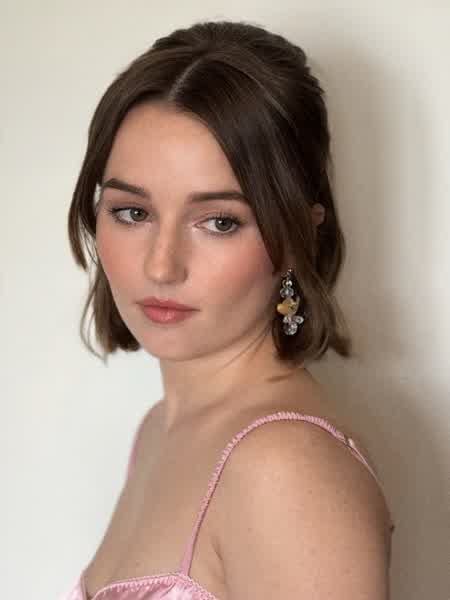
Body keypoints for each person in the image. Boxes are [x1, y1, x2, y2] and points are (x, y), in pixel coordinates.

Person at [64, 18, 395, 600]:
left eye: (219, 222)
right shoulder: (159, 430)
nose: (161, 266)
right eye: (132, 213)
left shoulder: (285, 469)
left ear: (296, 235)